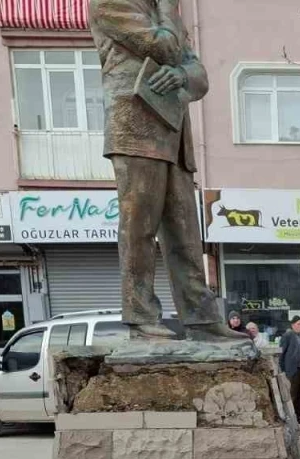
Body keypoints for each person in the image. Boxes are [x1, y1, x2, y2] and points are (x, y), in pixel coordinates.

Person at [89, 0, 243, 341]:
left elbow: (198, 75)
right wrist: (168, 8)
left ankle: (202, 321)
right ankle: (141, 319)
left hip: (174, 136)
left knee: (185, 235)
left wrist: (181, 75)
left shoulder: (162, 13)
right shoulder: (111, 4)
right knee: (138, 229)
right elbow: (166, 46)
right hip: (136, 130)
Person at [278, 316, 300, 423]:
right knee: (293, 394)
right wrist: (283, 369)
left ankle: (299, 415)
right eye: (298, 324)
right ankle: (291, 417)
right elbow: (281, 353)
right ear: (293, 325)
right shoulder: (288, 336)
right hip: (293, 370)